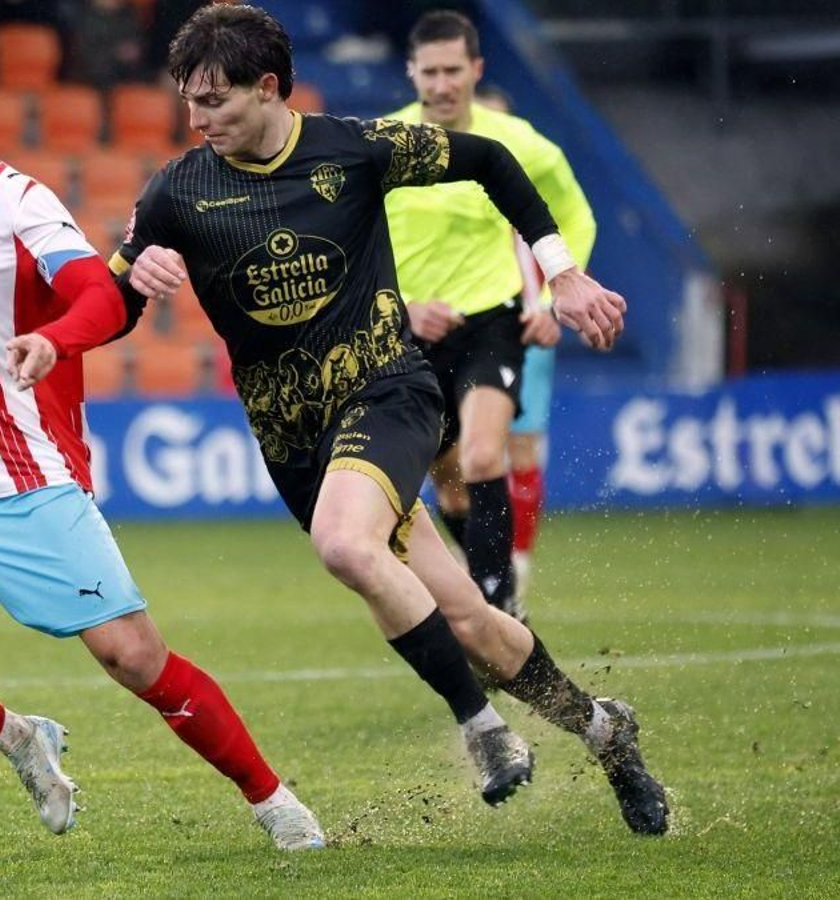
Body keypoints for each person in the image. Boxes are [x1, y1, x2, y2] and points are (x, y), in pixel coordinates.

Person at [114, 5, 666, 833]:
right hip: (295, 442)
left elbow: (488, 157)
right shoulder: (178, 190)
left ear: (269, 88)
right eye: (189, 101)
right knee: (474, 623)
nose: (200, 119)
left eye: (217, 100)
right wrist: (126, 283)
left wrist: (562, 272)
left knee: (346, 544)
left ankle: (483, 729)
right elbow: (113, 302)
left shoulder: (351, 148)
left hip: (388, 392)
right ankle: (604, 730)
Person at [0, 31, 323, 851]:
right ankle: (18, 737)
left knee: (133, 659)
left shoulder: (15, 201)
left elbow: (94, 292)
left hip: (27, 483)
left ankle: (272, 801)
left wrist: (58, 341)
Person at [386, 12, 596, 619]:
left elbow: (576, 217)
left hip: (491, 320)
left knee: (483, 456)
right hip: (411, 333)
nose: (443, 83)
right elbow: (357, 241)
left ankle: (497, 603)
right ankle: (497, 592)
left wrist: (557, 296)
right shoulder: (385, 144)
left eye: (454, 70)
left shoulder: (520, 142)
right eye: (431, 72)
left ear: (476, 69)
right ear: (412, 73)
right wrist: (403, 307)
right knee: (449, 480)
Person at [476, 82, 559, 601]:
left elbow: (563, 249)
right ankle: (478, 554)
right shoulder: (443, 193)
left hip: (525, 329)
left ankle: (517, 562)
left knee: (521, 447)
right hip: (462, 331)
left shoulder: (528, 193)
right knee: (463, 455)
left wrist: (548, 306)